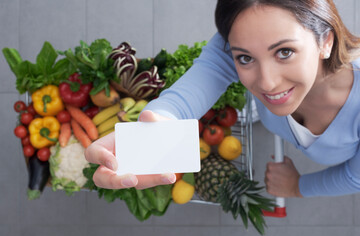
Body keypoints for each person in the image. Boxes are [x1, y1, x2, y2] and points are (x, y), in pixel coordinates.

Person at [85, 0, 360, 198]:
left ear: (326, 41)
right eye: (245, 58)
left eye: (285, 52)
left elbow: (355, 176)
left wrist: (298, 187)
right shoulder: (249, 31)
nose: (266, 83)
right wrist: (157, 124)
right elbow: (189, 93)